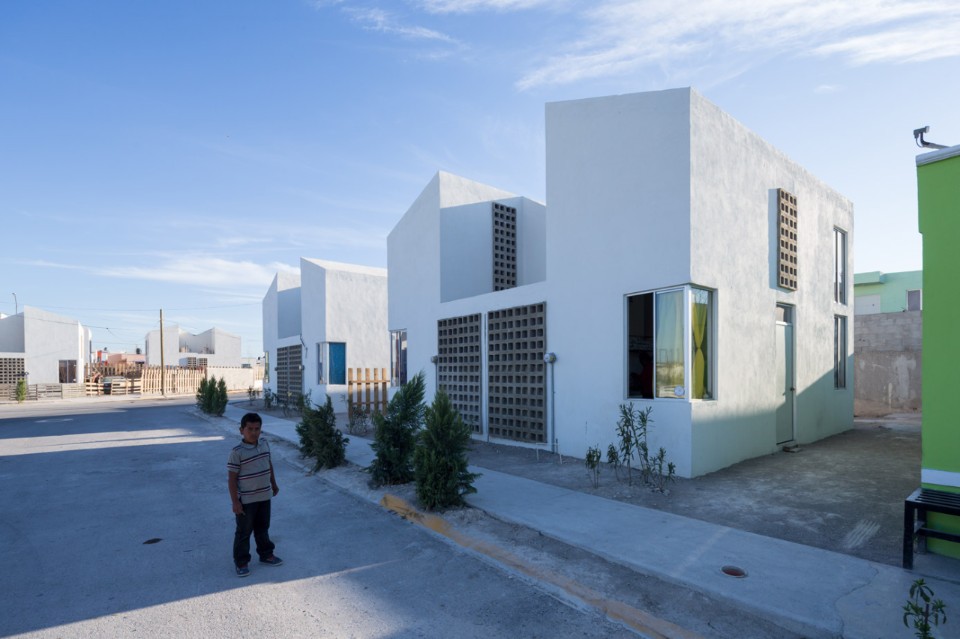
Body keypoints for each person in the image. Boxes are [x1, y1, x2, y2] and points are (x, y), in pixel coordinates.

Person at [228, 412, 282, 577]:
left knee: (263, 528)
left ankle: (266, 554)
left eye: (257, 429)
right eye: (249, 429)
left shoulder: (264, 444)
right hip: (247, 500)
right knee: (244, 532)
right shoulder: (237, 452)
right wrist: (235, 502)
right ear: (241, 430)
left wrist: (273, 483)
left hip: (264, 496)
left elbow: (268, 464)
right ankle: (241, 561)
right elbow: (232, 479)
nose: (253, 432)